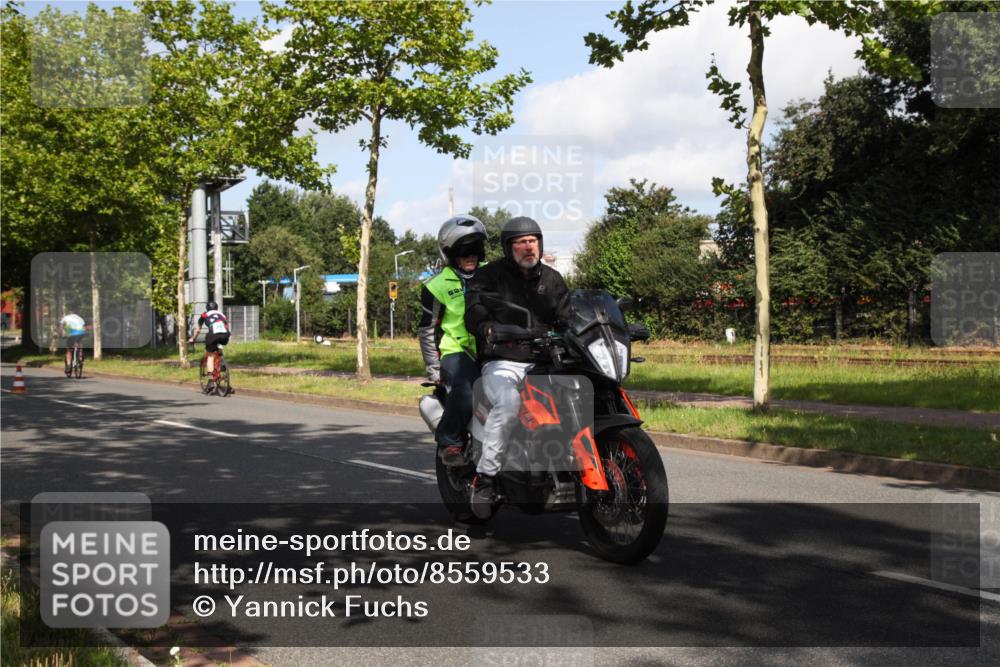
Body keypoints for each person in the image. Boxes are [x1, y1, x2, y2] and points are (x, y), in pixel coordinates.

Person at [464, 216, 569, 518]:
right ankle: (485, 478)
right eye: (521, 242)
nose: (528, 247)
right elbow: (474, 310)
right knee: (509, 402)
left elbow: (568, 316)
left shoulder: (552, 279)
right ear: (508, 247)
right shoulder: (489, 277)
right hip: (503, 361)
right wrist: (486, 327)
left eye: (533, 241)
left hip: (545, 360)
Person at [418, 214, 486, 465]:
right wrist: (433, 368)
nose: (470, 255)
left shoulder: (492, 276)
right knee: (467, 390)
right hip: (456, 351)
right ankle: (450, 440)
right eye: (463, 250)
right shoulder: (436, 286)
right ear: (450, 253)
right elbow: (426, 330)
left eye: (475, 249)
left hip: (493, 348)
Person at [187, 302, 230, 386]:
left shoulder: (204, 315)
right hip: (225, 334)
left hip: (213, 334)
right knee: (219, 343)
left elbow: (198, 330)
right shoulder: (222, 315)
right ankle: (221, 362)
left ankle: (211, 381)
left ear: (207, 308)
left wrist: (193, 338)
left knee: (210, 356)